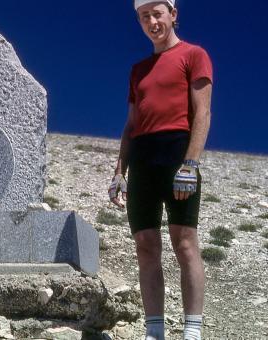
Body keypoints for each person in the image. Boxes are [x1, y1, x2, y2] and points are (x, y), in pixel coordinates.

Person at [108, 1, 213, 339]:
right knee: (145, 244)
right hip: (143, 156)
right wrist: (119, 172)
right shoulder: (138, 69)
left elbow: (203, 114)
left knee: (184, 242)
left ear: (173, 14)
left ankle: (192, 330)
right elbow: (130, 124)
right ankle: (155, 332)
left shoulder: (194, 55)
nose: (152, 21)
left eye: (157, 13)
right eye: (144, 16)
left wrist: (190, 163)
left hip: (177, 153)